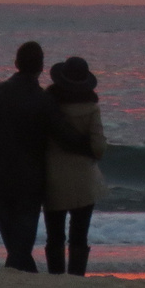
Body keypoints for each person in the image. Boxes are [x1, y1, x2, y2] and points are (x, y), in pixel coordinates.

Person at [0, 41, 94, 272]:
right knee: (20, 249)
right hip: (29, 184)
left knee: (16, 248)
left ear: (16, 64)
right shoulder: (44, 101)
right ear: (41, 67)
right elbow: (65, 137)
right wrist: (93, 144)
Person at [43, 55, 109, 275]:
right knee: (79, 236)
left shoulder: (48, 104)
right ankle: (76, 278)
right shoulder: (91, 108)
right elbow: (98, 147)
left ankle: (55, 277)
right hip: (83, 181)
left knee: (55, 236)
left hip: (52, 177)